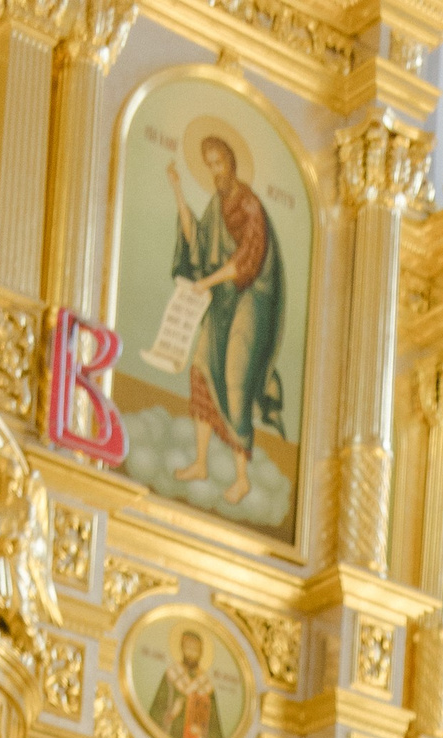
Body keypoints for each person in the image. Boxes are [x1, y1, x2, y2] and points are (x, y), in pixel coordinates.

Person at [168, 132, 285, 508]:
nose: (215, 171)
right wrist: (178, 191)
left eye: (218, 163)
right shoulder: (216, 206)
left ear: (232, 163)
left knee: (236, 380)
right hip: (222, 299)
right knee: (201, 367)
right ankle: (201, 462)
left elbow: (247, 260)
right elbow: (198, 244)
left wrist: (205, 283)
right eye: (209, 165)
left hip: (250, 300)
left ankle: (242, 479)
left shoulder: (249, 204)